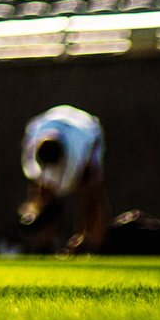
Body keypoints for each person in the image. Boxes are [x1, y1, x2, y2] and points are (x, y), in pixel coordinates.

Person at [19, 104, 109, 252]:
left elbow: (71, 182)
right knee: (43, 191)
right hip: (57, 122)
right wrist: (35, 209)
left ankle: (90, 240)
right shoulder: (32, 137)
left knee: (89, 188)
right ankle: (44, 244)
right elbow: (37, 180)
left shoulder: (78, 150)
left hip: (87, 131)